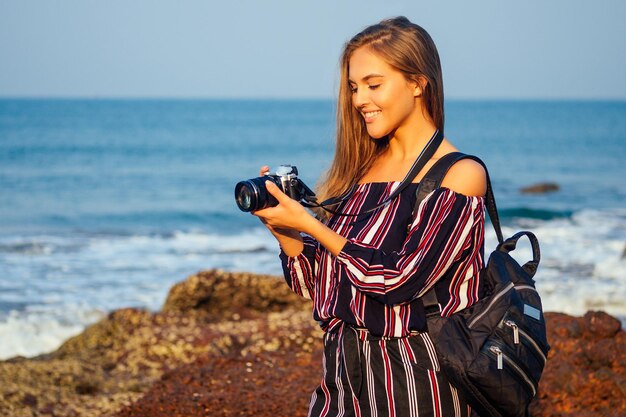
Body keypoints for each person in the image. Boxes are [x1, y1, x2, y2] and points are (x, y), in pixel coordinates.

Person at [253, 16, 487, 417]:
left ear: (417, 83)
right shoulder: (360, 172)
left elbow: (397, 279)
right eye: (354, 87)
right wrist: (284, 228)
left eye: (373, 85)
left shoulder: (460, 175)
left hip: (417, 380)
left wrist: (311, 224)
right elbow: (318, 286)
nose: (360, 99)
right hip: (342, 375)